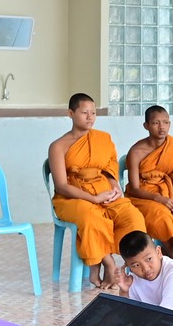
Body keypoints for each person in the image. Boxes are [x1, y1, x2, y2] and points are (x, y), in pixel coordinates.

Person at [48, 92, 145, 288]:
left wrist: (115, 187)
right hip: (73, 198)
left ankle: (129, 266)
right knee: (91, 216)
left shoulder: (103, 138)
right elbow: (61, 186)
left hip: (104, 192)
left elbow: (109, 168)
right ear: (70, 113)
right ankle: (107, 264)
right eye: (84, 112)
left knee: (132, 216)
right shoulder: (58, 146)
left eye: (93, 113)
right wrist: (93, 199)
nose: (90, 117)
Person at [123, 105, 173, 259]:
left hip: (168, 193)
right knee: (163, 217)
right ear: (146, 126)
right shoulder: (136, 152)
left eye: (166, 122)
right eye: (156, 123)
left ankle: (172, 257)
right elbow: (134, 189)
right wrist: (158, 199)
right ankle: (172, 259)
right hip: (142, 198)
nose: (162, 127)